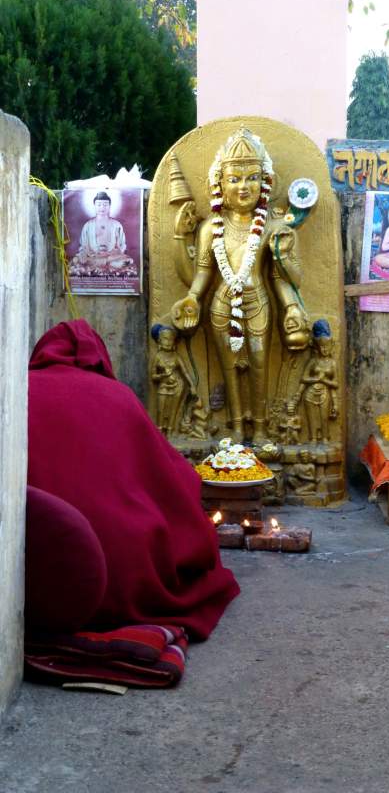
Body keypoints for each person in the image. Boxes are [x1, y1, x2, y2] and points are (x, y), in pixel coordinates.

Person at [27, 319, 240, 639]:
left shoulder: (18, 393)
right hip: (126, 576)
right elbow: (175, 478)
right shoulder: (118, 396)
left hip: (39, 573)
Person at [171, 128, 310, 444]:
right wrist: (192, 298)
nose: (243, 187)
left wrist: (290, 305)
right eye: (234, 179)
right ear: (220, 184)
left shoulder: (271, 226)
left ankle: (259, 429)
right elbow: (203, 274)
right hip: (222, 305)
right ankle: (235, 427)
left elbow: (284, 279)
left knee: (260, 365)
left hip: (258, 302)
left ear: (265, 182)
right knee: (229, 368)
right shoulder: (211, 228)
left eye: (251, 178)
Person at [71, 191, 135, 275]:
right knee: (77, 259)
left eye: (105, 205)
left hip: (111, 257)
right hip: (93, 257)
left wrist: (111, 255)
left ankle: (98, 265)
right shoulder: (88, 225)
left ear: (109, 206)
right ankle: (106, 265)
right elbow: (83, 246)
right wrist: (87, 254)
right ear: (94, 206)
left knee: (128, 260)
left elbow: (122, 246)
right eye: (99, 205)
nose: (102, 207)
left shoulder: (116, 225)